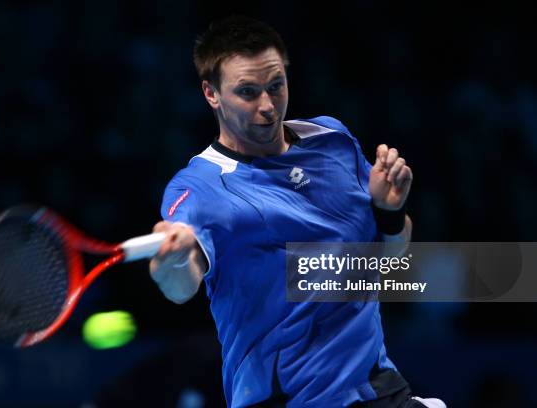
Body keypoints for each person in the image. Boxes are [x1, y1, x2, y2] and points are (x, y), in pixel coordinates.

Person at [149, 16, 444, 408]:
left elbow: (389, 258)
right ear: (211, 93)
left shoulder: (332, 140)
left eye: (276, 86)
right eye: (248, 92)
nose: (268, 107)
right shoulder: (200, 187)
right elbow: (181, 287)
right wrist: (170, 263)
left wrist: (388, 212)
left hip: (377, 389)